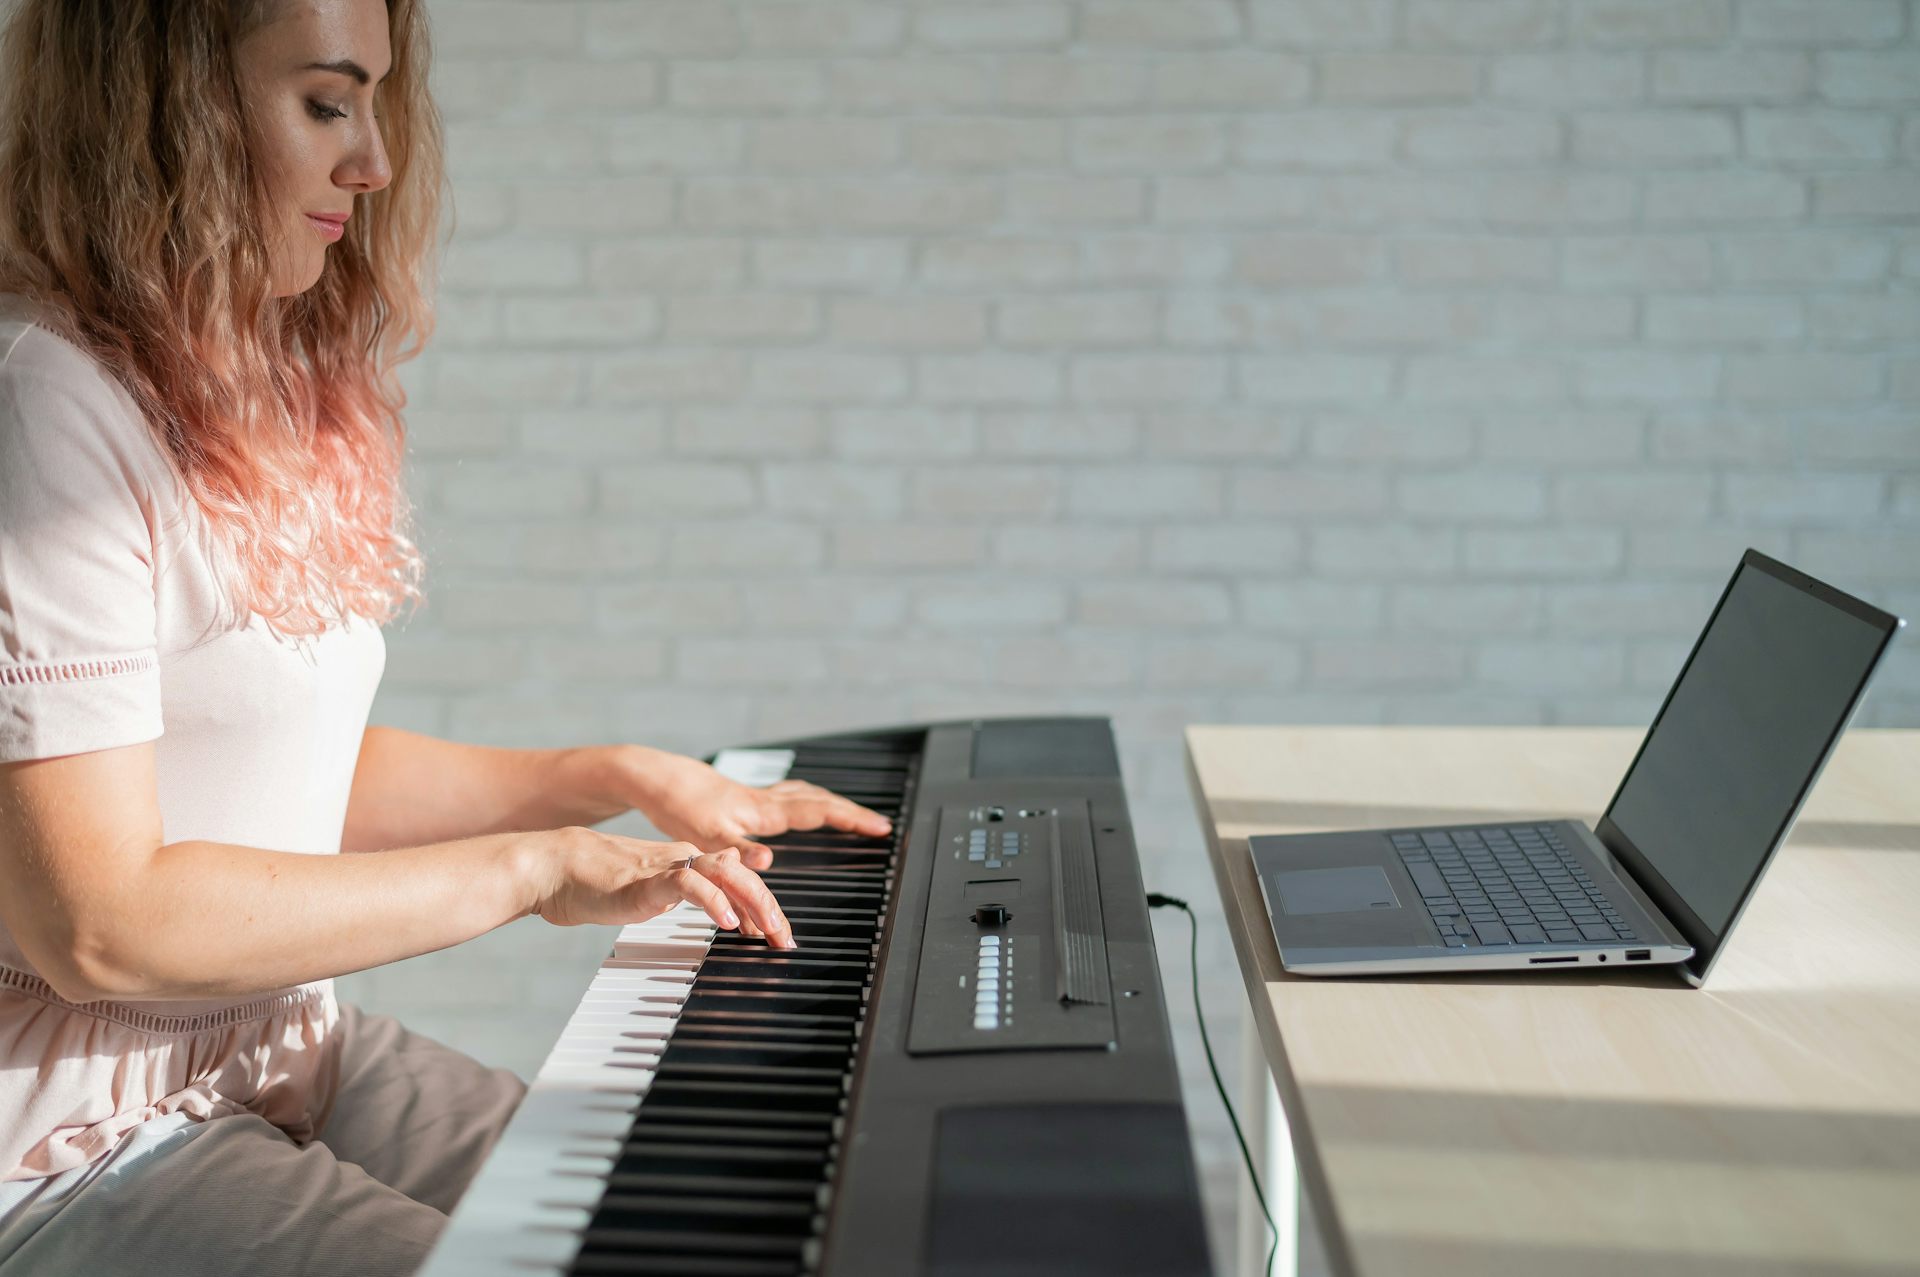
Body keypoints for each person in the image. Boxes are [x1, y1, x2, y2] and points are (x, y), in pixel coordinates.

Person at [0, 2, 890, 1272]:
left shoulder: (225, 369)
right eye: (324, 103)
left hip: (273, 1041)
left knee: (679, 1222)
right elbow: (95, 921)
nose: (374, 162)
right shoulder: (41, 404)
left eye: (374, 104)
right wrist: (528, 871)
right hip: (67, 1142)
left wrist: (601, 773)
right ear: (162, 109)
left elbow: (274, 781)